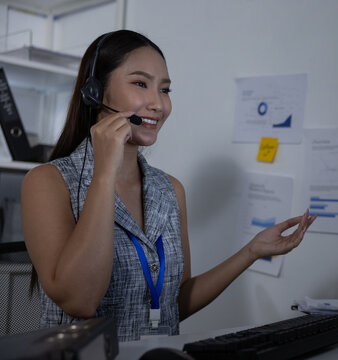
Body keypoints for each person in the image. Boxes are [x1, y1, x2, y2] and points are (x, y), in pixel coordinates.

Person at [20, 30, 316, 342]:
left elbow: (172, 304)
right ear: (96, 92)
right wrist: (105, 171)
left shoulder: (169, 190)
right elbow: (80, 300)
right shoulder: (48, 182)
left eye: (165, 89)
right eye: (140, 84)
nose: (158, 104)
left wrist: (252, 251)